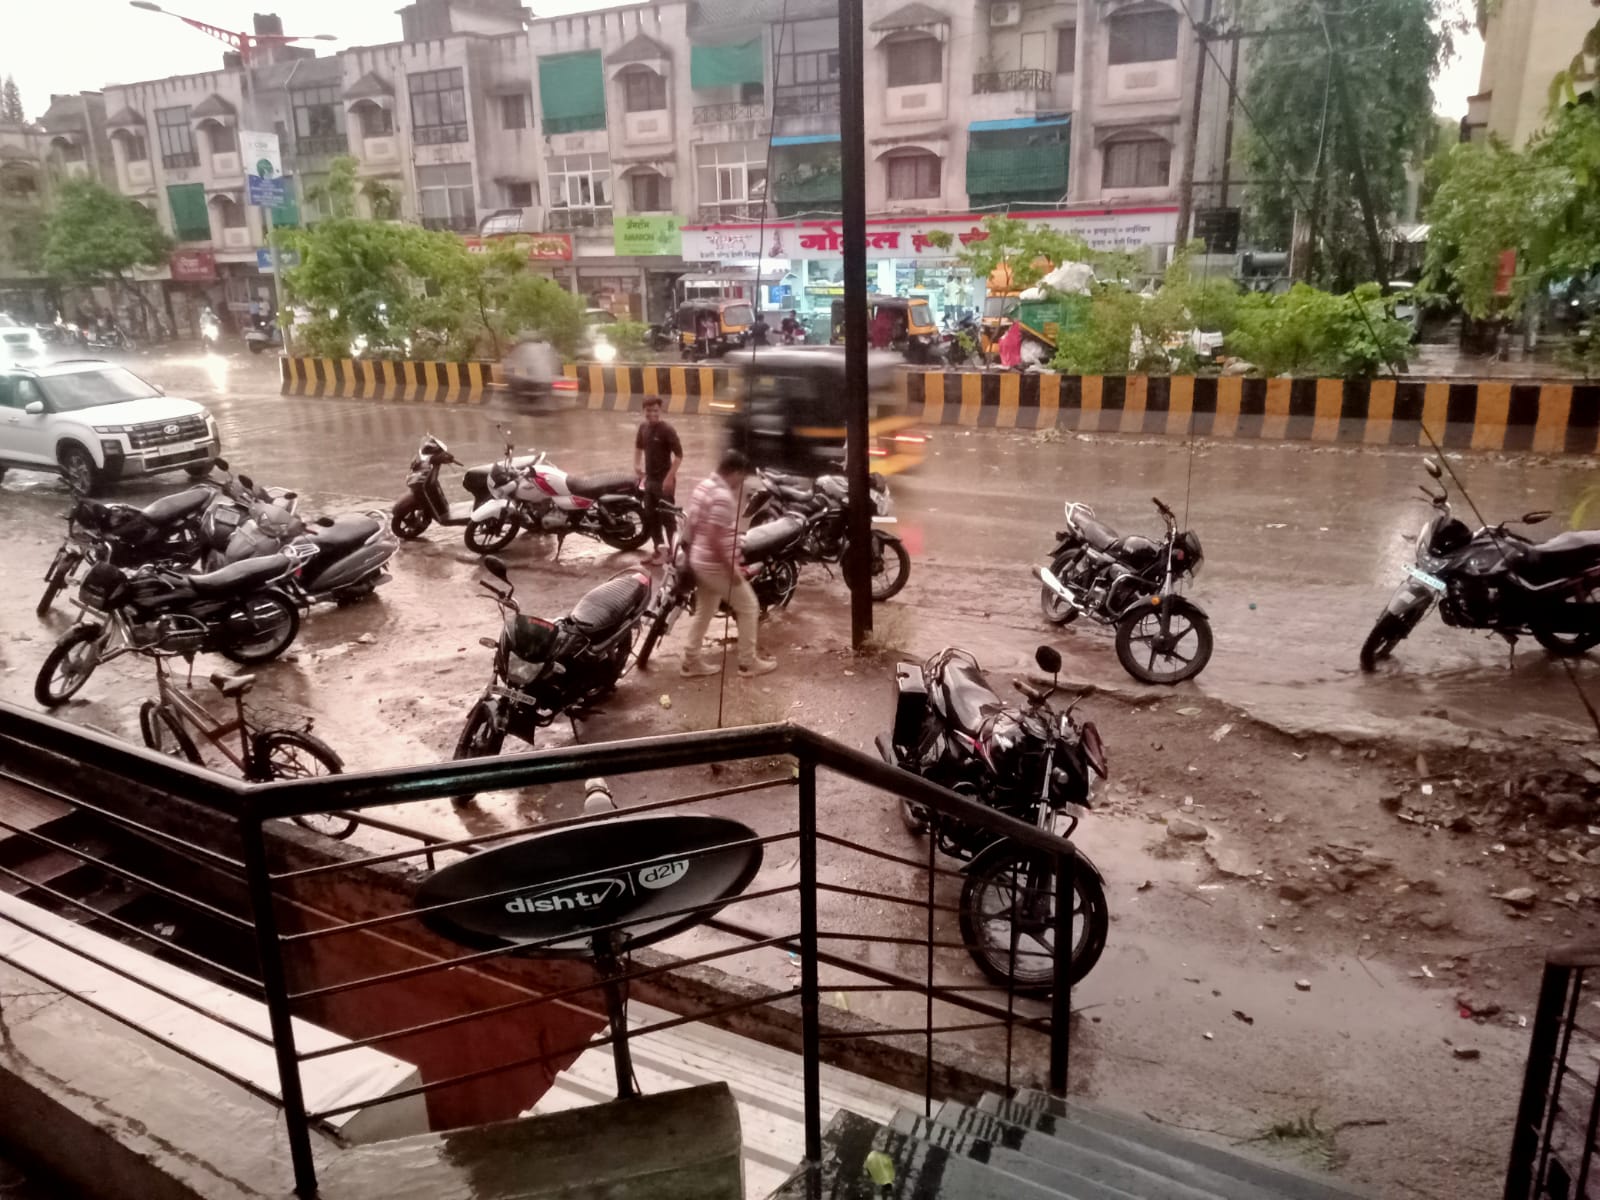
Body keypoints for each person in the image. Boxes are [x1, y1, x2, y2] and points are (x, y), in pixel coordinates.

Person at [678, 448, 777, 678]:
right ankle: (748, 663)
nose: (741, 482)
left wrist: (689, 551)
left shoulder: (703, 486)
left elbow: (691, 523)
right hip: (715, 565)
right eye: (741, 476)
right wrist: (730, 568)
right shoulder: (722, 497)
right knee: (749, 606)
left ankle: (690, 661)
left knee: (705, 610)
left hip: (699, 561)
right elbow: (714, 537)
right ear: (733, 472)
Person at [634, 395, 682, 565]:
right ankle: (659, 551)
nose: (652, 414)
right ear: (644, 411)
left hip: (664, 481)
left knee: (668, 519)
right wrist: (637, 465)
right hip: (650, 480)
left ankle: (675, 554)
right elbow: (638, 447)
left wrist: (669, 478)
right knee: (651, 516)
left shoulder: (667, 430)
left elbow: (679, 456)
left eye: (655, 410)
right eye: (648, 410)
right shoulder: (643, 428)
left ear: (660, 411)